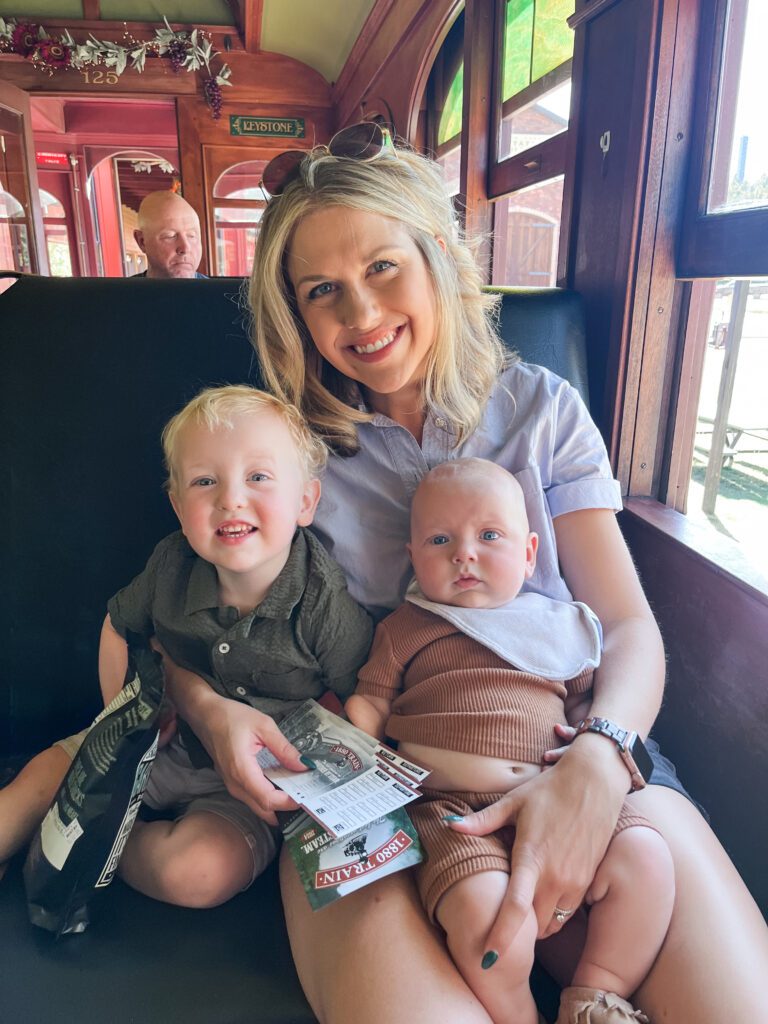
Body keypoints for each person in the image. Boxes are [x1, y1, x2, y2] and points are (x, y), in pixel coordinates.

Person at [158, 126, 768, 1023]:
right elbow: (183, 619)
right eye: (321, 291)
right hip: (368, 795)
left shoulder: (544, 412)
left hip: (572, 744)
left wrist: (602, 758)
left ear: (437, 254)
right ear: (294, 314)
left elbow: (628, 625)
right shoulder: (278, 450)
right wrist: (212, 716)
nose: (360, 315)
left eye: (382, 268)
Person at [0, 385, 373, 903]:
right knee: (44, 778)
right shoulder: (171, 564)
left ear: (306, 501)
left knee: (195, 874)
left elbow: (365, 699)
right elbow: (118, 626)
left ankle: (87, 845)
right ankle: (22, 825)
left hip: (242, 787)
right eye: (204, 481)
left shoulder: (322, 603)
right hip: (153, 749)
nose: (231, 498)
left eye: (258, 477)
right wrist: (124, 724)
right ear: (178, 507)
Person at [346, 458, 674, 1024]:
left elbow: (584, 709)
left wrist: (592, 757)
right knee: (486, 923)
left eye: (488, 535)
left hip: (560, 796)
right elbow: (371, 702)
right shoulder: (407, 626)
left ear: (529, 554)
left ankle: (595, 997)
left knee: (647, 861)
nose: (463, 553)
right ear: (412, 558)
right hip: (451, 811)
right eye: (440, 539)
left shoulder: (557, 623)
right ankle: (520, 1014)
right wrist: (355, 759)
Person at [133, 190, 205, 279]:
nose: (185, 248)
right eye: (170, 236)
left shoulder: (219, 292)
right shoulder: (119, 292)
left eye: (191, 236)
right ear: (142, 242)